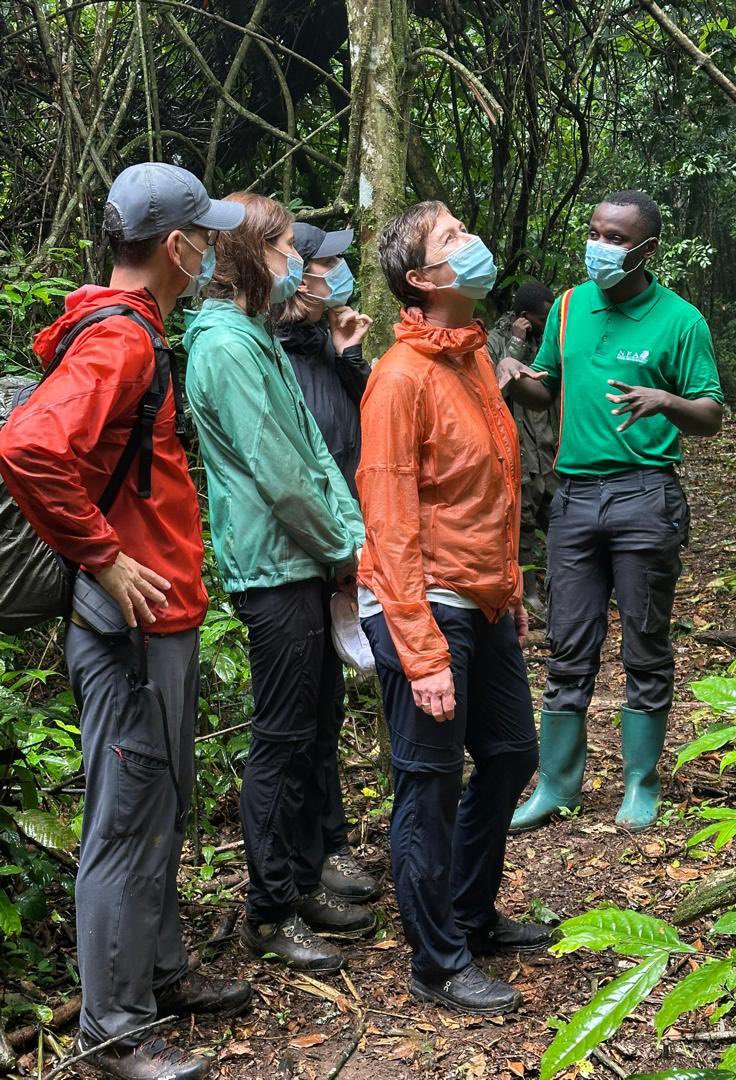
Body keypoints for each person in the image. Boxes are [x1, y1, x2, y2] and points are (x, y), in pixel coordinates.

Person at [0, 163, 251, 1080]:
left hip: (161, 620)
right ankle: (114, 1026)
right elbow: (28, 446)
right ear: (176, 246)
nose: (212, 249)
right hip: (128, 628)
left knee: (159, 801)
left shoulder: (131, 331)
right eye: (205, 235)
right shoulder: (123, 345)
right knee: (125, 816)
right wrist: (105, 556)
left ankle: (161, 973)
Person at [356, 200, 552, 1016]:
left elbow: (493, 491)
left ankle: (469, 915)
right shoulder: (398, 379)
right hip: (422, 603)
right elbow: (391, 518)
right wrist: (422, 649)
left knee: (510, 755)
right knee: (428, 786)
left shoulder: (470, 358)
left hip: (481, 598)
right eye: (451, 240)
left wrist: (507, 588)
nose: (471, 245)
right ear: (422, 280)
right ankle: (435, 960)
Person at [184, 193, 374, 977]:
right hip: (276, 566)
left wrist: (348, 539)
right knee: (282, 737)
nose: (297, 261)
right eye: (286, 247)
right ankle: (266, 913)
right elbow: (278, 471)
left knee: (313, 726)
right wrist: (336, 545)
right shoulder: (225, 346)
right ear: (247, 255)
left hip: (307, 559)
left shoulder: (256, 336)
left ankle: (297, 882)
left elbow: (314, 454)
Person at [499, 189, 723, 833]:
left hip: (645, 495)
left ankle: (639, 784)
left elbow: (710, 412)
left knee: (646, 643)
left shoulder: (681, 320)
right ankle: (558, 784)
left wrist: (666, 400)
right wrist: (517, 374)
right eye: (597, 232)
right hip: (573, 499)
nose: (602, 245)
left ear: (647, 249)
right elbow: (546, 392)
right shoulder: (569, 305)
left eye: (618, 238)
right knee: (568, 644)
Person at [274, 222, 380, 903]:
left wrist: (350, 359)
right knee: (299, 716)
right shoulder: (265, 351)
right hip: (300, 556)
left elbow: (371, 429)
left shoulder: (323, 345)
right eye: (329, 263)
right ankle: (305, 864)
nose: (339, 274)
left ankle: (331, 847)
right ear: (299, 273)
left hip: (350, 550)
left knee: (331, 706)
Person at [487, 281, 559, 616]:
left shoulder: (549, 338)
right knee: (523, 523)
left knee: (558, 515)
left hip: (550, 441)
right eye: (544, 315)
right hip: (519, 442)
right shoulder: (496, 340)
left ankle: (561, 591)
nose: (549, 320)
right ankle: (528, 596)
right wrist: (515, 342)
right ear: (526, 316)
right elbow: (493, 392)